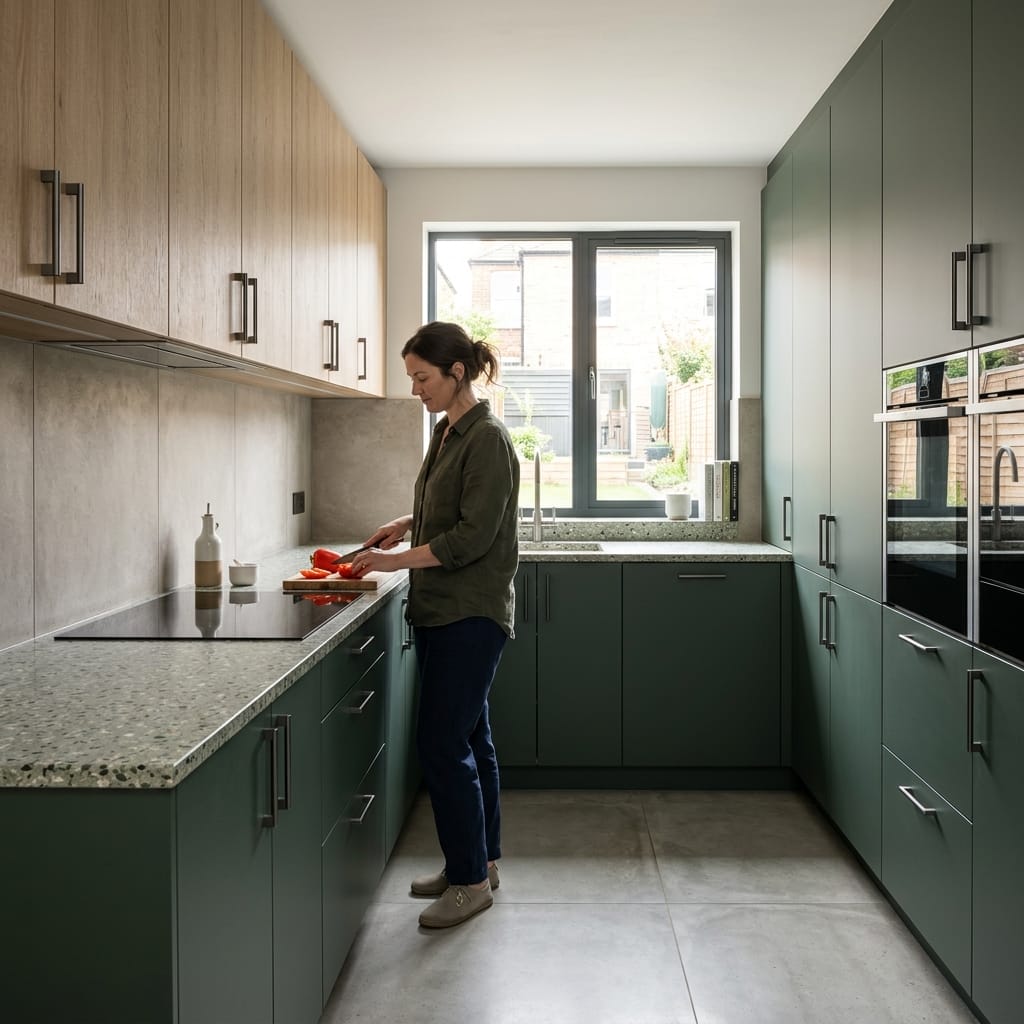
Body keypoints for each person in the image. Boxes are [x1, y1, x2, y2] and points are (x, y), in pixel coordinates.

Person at [349, 321, 520, 929]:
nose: (415, 389)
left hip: (468, 614)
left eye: (422, 377)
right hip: (446, 612)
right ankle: (478, 862)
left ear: (456, 373)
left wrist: (396, 561)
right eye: (411, 378)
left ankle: (469, 882)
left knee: (442, 746)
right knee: (472, 741)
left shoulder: (488, 438)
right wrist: (404, 522)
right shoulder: (451, 433)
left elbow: (473, 535)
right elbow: (447, 509)